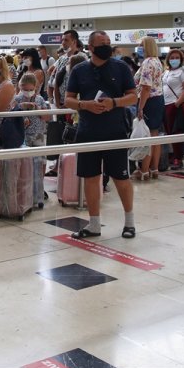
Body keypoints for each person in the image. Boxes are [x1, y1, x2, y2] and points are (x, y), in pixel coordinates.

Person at [64, 30, 138, 240]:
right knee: (90, 177)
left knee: (121, 177)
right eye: (101, 43)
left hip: (115, 131)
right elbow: (68, 99)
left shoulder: (121, 67)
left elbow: (133, 96)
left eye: (108, 42)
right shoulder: (79, 70)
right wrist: (84, 105)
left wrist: (114, 102)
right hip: (88, 131)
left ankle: (130, 223)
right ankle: (94, 224)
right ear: (90, 48)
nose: (106, 45)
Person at [13, 72, 50, 207]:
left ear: (36, 87)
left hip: (39, 135)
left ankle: (38, 191)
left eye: (30, 89)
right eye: (24, 89)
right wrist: (21, 109)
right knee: (24, 165)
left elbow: (47, 117)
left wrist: (37, 109)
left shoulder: (40, 99)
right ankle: (24, 192)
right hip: (24, 136)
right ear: (20, 87)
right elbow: (11, 115)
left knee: (40, 163)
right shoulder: (17, 99)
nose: (27, 92)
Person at [134, 36, 165, 180]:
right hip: (158, 100)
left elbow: (146, 88)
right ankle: (154, 169)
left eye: (141, 45)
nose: (139, 48)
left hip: (148, 101)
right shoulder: (158, 62)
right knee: (154, 135)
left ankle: (144, 170)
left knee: (146, 136)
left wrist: (140, 108)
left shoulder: (147, 62)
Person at [162, 48, 184, 169]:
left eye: (177, 58)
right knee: (169, 132)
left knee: (177, 132)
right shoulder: (166, 72)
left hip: (177, 105)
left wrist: (177, 103)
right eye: (172, 58)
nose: (174, 60)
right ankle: (173, 155)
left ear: (181, 59)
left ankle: (178, 158)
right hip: (165, 104)